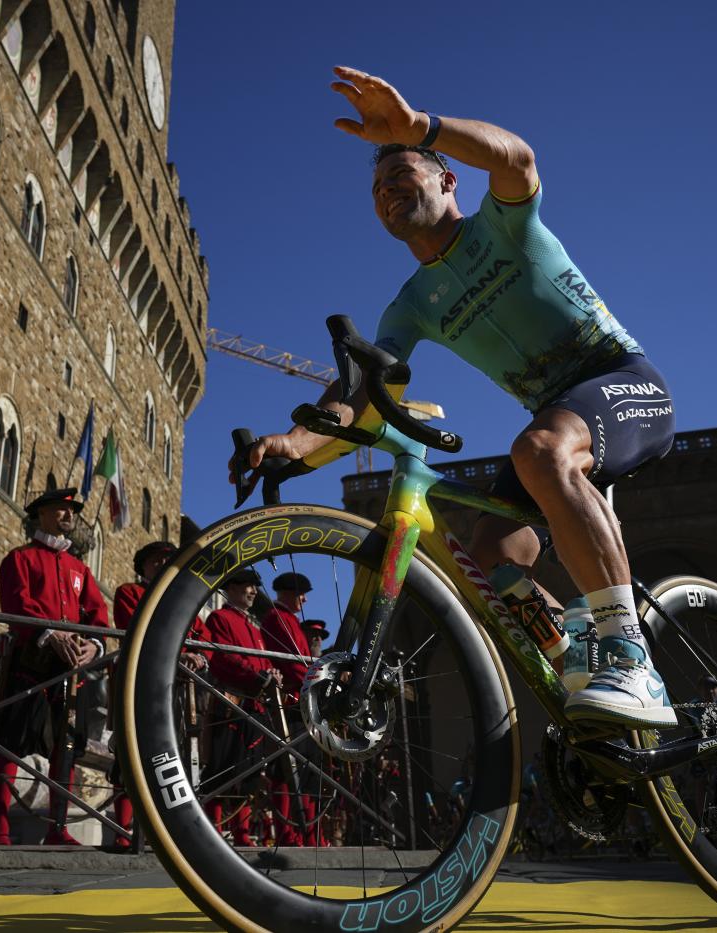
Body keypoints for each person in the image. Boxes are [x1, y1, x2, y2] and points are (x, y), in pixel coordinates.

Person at [236, 67, 676, 727]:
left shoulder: (504, 226)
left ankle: (629, 656)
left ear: (448, 181)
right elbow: (364, 388)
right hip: (558, 420)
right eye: (377, 189)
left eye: (401, 174)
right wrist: (296, 442)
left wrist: (420, 127)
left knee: (540, 448)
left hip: (624, 382)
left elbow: (517, 159)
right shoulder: (411, 305)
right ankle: (583, 665)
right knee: (492, 551)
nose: (387, 191)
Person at [0, 488, 109, 846]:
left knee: (66, 746)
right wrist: (50, 633)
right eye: (61, 509)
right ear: (41, 514)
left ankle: (58, 828)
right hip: (30, 660)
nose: (69, 516)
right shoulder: (20, 558)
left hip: (70, 669)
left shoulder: (80, 569)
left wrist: (94, 644)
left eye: (72, 511)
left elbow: (97, 616)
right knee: (10, 742)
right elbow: (16, 604)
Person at [108, 539, 188, 850]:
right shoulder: (129, 592)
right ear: (143, 566)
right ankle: (123, 828)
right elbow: (137, 629)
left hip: (173, 687)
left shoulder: (179, 599)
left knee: (170, 757)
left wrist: (196, 655)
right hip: (138, 683)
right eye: (156, 561)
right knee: (129, 754)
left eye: (167, 560)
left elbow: (197, 633)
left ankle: (162, 830)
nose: (163, 565)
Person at [203, 568, 282, 847]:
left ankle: (241, 832)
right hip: (229, 703)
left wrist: (272, 673)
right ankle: (212, 830)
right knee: (221, 768)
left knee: (248, 772)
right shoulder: (219, 618)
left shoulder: (255, 629)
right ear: (232, 588)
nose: (254, 591)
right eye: (249, 586)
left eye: (255, 587)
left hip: (255, 707)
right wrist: (259, 675)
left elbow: (263, 663)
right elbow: (223, 657)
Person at [261, 572, 318, 846]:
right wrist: (315, 681)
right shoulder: (277, 618)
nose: (304, 600)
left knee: (305, 767)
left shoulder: (289, 619)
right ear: (287, 592)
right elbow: (292, 662)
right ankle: (288, 834)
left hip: (300, 697)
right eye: (301, 594)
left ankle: (304, 833)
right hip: (289, 699)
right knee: (286, 769)